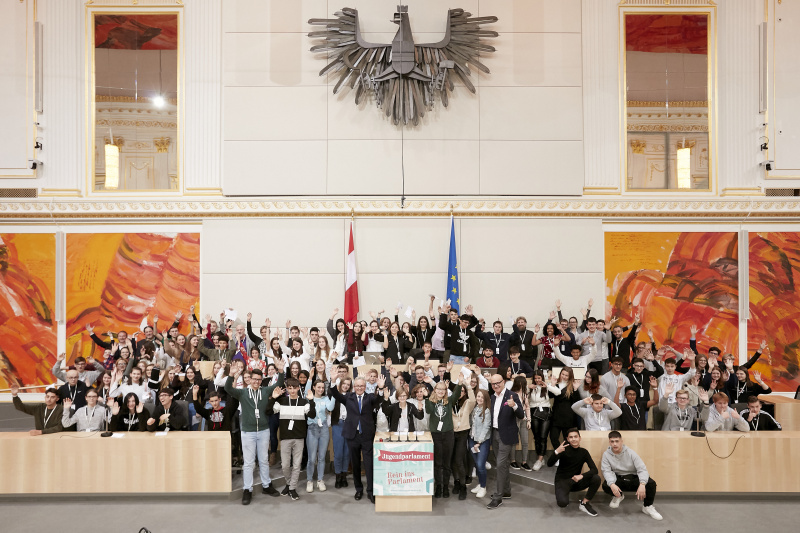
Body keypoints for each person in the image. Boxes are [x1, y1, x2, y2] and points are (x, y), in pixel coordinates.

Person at [225, 367, 283, 504]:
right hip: (248, 432)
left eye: (259, 379)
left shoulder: (265, 391)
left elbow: (278, 384)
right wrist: (231, 375)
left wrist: (281, 371)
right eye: (254, 379)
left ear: (261, 381)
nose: (256, 381)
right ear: (249, 379)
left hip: (263, 430)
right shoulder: (243, 393)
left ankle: (266, 485)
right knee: (249, 462)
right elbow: (228, 389)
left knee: (263, 460)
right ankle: (247, 489)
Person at [328, 374, 387, 503]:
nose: (359, 388)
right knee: (355, 465)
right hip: (352, 436)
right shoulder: (348, 397)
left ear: (365, 387)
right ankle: (359, 490)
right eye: (357, 386)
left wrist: (381, 388)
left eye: (362, 386)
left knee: (369, 464)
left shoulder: (370, 397)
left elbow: (379, 400)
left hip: (366, 436)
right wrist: (332, 381)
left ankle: (371, 492)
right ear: (353, 387)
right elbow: (335, 394)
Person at [601, 431, 662, 520]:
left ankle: (647, 507)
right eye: (612, 441)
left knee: (651, 484)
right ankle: (619, 496)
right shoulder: (606, 454)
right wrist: (612, 484)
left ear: (621, 441)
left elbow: (642, 469)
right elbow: (606, 471)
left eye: (617, 441)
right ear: (609, 442)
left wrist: (642, 484)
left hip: (633, 478)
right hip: (619, 478)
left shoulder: (631, 453)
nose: (614, 444)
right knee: (606, 485)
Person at [486, 372, 525, 510]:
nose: (496, 385)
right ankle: (506, 490)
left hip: (507, 436)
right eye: (493, 384)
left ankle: (498, 496)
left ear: (503, 382)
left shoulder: (512, 395)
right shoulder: (492, 397)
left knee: (500, 464)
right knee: (503, 464)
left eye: (498, 383)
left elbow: (522, 414)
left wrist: (514, 406)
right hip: (495, 434)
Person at [422, 372, 464, 499]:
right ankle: (438, 486)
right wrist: (426, 396)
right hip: (435, 435)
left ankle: (446, 486)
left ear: (446, 390)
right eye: (438, 389)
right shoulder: (430, 401)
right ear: (435, 390)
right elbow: (428, 410)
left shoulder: (449, 401)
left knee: (446, 463)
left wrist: (460, 383)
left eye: (443, 389)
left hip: (448, 434)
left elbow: (456, 394)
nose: (440, 391)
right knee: (437, 463)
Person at [546, 428, 601, 516]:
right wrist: (556, 452)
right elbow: (549, 464)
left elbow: (594, 470)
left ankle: (584, 503)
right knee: (562, 503)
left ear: (580, 438)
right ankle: (564, 494)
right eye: (571, 437)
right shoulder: (563, 450)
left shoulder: (584, 452)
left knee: (596, 478)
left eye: (576, 436)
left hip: (576, 481)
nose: (573, 439)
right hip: (562, 481)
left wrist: (581, 476)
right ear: (567, 439)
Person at [451, 370, 477, 500]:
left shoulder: (467, 403)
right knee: (452, 460)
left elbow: (473, 399)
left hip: (462, 434)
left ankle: (462, 486)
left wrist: (467, 385)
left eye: (462, 392)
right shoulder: (450, 402)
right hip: (451, 434)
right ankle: (456, 482)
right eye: (458, 391)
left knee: (459, 460)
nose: (460, 393)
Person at [306, 379, 335, 493]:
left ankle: (320, 480)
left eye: (323, 388)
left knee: (322, 457)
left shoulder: (325, 398)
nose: (321, 389)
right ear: (314, 387)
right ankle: (309, 481)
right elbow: (307, 391)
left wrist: (335, 394)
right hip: (312, 428)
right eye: (318, 387)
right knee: (312, 458)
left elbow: (331, 408)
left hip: (323, 428)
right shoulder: (309, 398)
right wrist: (310, 379)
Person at [547, 367, 581, 454]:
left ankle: (566, 456)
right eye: (563, 374)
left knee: (568, 438)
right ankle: (560, 455)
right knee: (553, 437)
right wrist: (553, 385)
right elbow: (550, 396)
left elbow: (577, 401)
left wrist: (576, 389)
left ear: (570, 376)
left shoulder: (572, 386)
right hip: (556, 415)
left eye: (567, 375)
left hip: (568, 417)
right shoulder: (557, 384)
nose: (564, 377)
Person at [468, 389, 492, 498]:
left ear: (486, 399)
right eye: (478, 396)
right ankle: (480, 484)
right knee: (477, 463)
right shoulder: (475, 408)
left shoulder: (486, 411)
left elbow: (486, 427)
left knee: (480, 465)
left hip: (481, 441)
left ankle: (483, 487)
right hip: (472, 438)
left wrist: (479, 442)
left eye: (482, 397)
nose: (479, 399)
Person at [330, 376, 352, 489]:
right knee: (338, 453)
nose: (346, 386)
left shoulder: (351, 396)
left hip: (348, 426)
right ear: (341, 384)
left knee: (347, 452)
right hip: (337, 425)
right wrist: (333, 380)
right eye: (344, 383)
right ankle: (338, 476)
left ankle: (344, 476)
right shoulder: (336, 395)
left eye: (348, 384)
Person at [528, 371, 551, 471]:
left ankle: (540, 459)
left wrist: (547, 386)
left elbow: (557, 392)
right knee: (536, 437)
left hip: (545, 412)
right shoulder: (531, 388)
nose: (537, 380)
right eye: (536, 378)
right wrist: (528, 388)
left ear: (542, 378)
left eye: (539, 378)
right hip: (533, 412)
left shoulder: (547, 386)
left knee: (543, 437)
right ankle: (540, 457)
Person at [509, 376, 531, 471]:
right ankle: (512, 460)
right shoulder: (512, 394)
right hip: (514, 419)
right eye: (520, 383)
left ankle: (524, 462)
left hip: (524, 419)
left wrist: (529, 420)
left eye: (523, 383)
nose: (522, 385)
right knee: (514, 441)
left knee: (525, 442)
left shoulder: (525, 394)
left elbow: (527, 407)